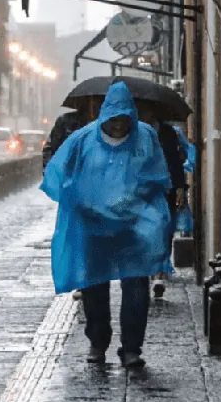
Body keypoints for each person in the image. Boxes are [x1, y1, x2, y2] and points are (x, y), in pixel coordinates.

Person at [41, 82, 173, 367]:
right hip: (93, 224)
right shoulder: (82, 140)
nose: (118, 127)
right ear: (104, 116)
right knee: (94, 287)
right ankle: (98, 343)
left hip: (133, 225)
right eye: (113, 120)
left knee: (136, 287)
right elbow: (60, 174)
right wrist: (82, 202)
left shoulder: (146, 138)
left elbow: (158, 176)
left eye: (124, 120)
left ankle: (131, 349)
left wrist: (132, 202)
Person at [42, 96, 104, 302]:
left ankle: (93, 280)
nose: (94, 108)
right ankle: (83, 281)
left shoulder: (108, 123)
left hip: (100, 190)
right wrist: (55, 176)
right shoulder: (66, 123)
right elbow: (51, 149)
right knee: (77, 235)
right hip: (73, 188)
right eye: (91, 104)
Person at [136, 102, 187, 299]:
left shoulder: (167, 133)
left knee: (165, 230)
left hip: (166, 189)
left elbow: (175, 162)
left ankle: (159, 273)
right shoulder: (134, 132)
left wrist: (181, 187)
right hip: (142, 191)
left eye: (146, 111)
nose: (144, 114)